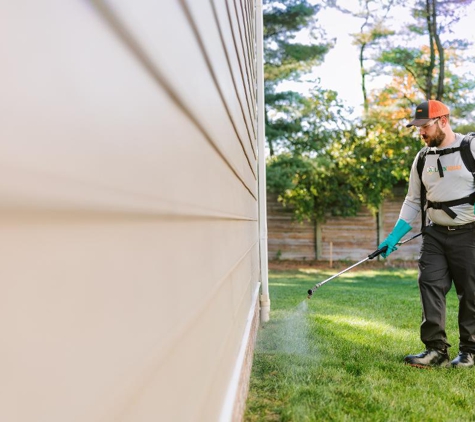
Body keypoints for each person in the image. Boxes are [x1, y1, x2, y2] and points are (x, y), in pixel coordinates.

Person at [379, 99, 475, 368]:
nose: (420, 132)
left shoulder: (470, 147)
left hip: (469, 234)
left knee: (471, 292)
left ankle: (470, 351)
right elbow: (412, 201)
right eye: (417, 127)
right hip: (434, 234)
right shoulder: (422, 158)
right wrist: (394, 236)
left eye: (425, 126)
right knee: (429, 284)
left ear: (443, 121)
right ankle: (436, 350)